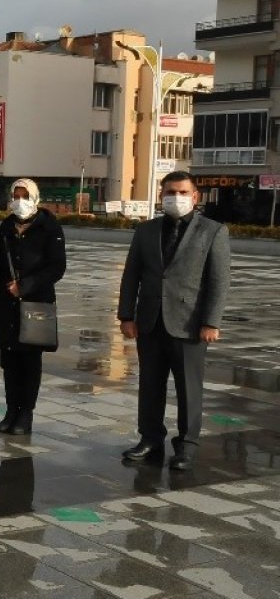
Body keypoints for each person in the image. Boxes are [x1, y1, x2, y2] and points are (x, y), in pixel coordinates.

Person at [118, 171, 230, 471]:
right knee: (150, 384)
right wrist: (126, 315)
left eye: (182, 192)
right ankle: (150, 437)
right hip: (150, 321)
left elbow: (219, 281)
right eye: (170, 192)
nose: (176, 197)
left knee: (188, 388)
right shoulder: (146, 231)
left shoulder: (213, 231)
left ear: (195, 197)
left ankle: (187, 444)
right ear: (161, 195)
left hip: (190, 324)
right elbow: (131, 276)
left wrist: (211, 322)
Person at [0, 178, 66, 435]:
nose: (20, 201)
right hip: (6, 304)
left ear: (35, 198)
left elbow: (57, 266)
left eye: (25, 196)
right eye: (16, 195)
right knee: (9, 360)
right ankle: (11, 409)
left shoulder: (49, 226)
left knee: (30, 361)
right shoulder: (7, 226)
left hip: (35, 303)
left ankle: (25, 413)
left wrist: (27, 285)